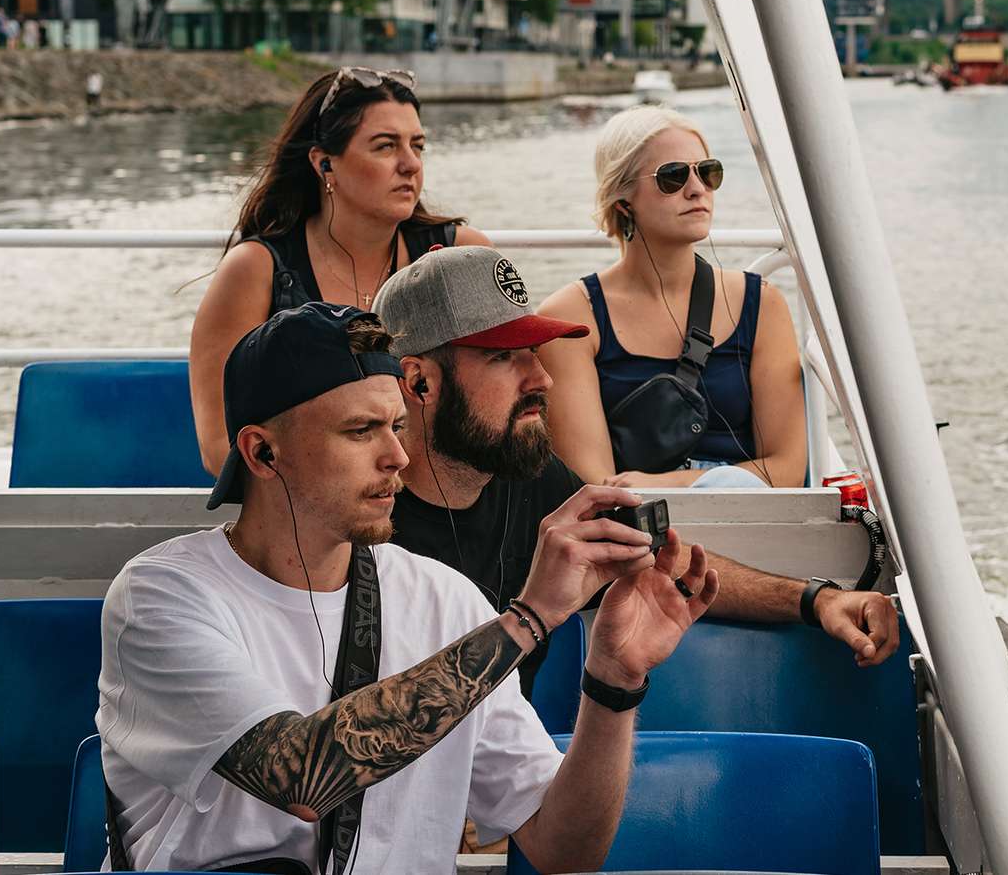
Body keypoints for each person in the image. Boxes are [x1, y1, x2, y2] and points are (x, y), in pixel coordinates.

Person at [98, 301, 716, 873]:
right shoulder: (161, 596)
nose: (398, 455)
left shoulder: (445, 599)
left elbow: (562, 851)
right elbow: (301, 777)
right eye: (361, 431)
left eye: (397, 425)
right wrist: (527, 618)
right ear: (262, 453)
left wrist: (612, 681)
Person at [377, 246, 900, 675]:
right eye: (501, 357)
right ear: (420, 381)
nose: (541, 379)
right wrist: (531, 617)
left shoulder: (526, 478)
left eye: (533, 352)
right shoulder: (363, 532)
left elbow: (664, 561)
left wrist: (819, 601)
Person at [190, 67, 488, 474]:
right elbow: (218, 446)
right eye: (385, 147)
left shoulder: (460, 255)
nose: (410, 165)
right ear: (324, 163)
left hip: (442, 498)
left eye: (417, 146)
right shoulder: (257, 270)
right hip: (317, 511)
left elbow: (509, 395)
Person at [536, 106, 806, 489]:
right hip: (634, 531)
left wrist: (670, 484)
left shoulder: (761, 304)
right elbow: (595, 487)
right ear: (623, 200)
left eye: (708, 172)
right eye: (673, 176)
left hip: (748, 517)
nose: (697, 189)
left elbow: (787, 469)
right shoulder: (572, 318)